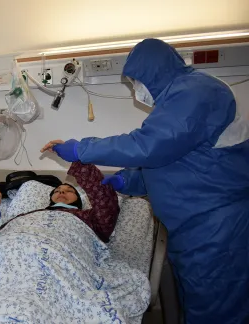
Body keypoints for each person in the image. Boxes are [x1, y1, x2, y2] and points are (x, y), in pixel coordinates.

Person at [51, 39, 249, 323]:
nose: (136, 90)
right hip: (194, 229)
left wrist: (81, 148)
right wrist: (126, 181)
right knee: (197, 305)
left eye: (135, 82)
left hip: (218, 229)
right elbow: (175, 164)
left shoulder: (198, 92)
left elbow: (148, 146)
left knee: (217, 312)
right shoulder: (175, 103)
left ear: (151, 72)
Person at [0, 155, 120, 247]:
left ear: (79, 201)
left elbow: (106, 202)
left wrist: (79, 161)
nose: (62, 191)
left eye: (69, 191)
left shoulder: (88, 219)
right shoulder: (27, 217)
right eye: (57, 191)